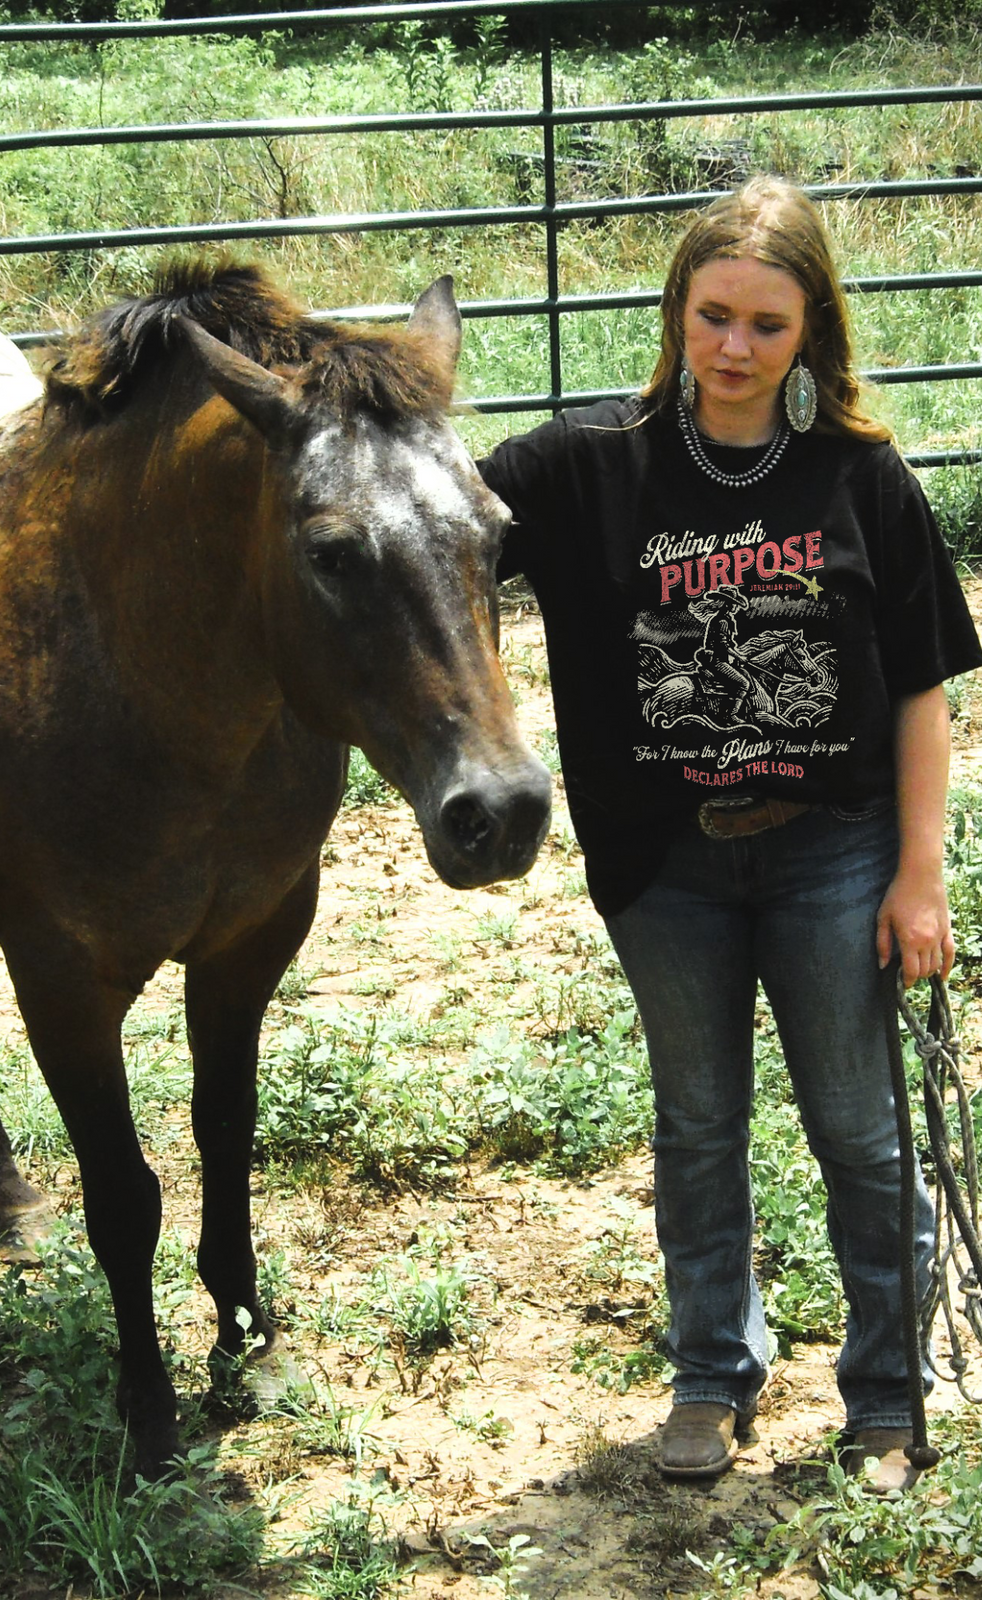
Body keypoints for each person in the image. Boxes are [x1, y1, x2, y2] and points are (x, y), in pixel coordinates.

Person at [479, 176, 982, 1492]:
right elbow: (429, 519)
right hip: (667, 865)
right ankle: (711, 1377)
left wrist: (921, 874)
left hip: (835, 852)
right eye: (713, 316)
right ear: (677, 314)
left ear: (812, 328)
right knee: (697, 1127)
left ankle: (886, 1395)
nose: (736, 347)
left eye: (767, 322)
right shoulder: (588, 470)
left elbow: (924, 686)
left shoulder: (864, 480)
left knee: (861, 1133)